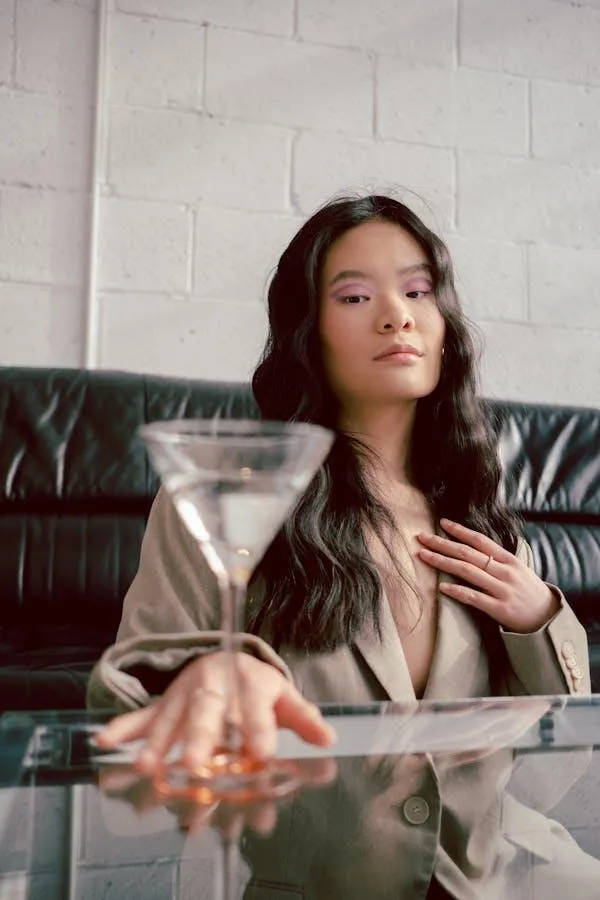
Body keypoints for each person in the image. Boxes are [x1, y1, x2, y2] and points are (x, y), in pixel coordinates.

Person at [89, 194, 592, 899]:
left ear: (446, 326)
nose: (398, 315)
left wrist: (538, 615)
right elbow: (134, 717)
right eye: (355, 295)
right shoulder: (228, 502)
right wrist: (199, 674)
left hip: (516, 876)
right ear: (308, 331)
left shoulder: (478, 506)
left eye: (418, 290)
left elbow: (558, 761)